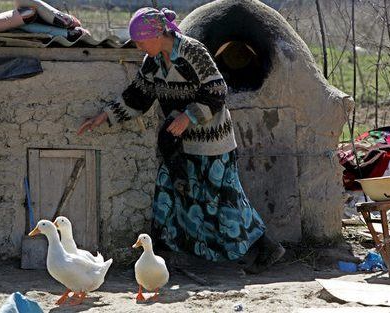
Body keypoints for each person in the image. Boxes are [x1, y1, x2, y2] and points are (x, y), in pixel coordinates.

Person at [78, 7, 285, 274]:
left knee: (225, 200)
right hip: (177, 144)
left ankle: (267, 248)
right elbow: (139, 96)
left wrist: (188, 117)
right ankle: (163, 258)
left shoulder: (192, 52)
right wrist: (104, 116)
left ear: (155, 34)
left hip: (212, 142)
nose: (138, 46)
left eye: (140, 40)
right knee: (169, 193)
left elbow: (217, 91)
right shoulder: (152, 62)